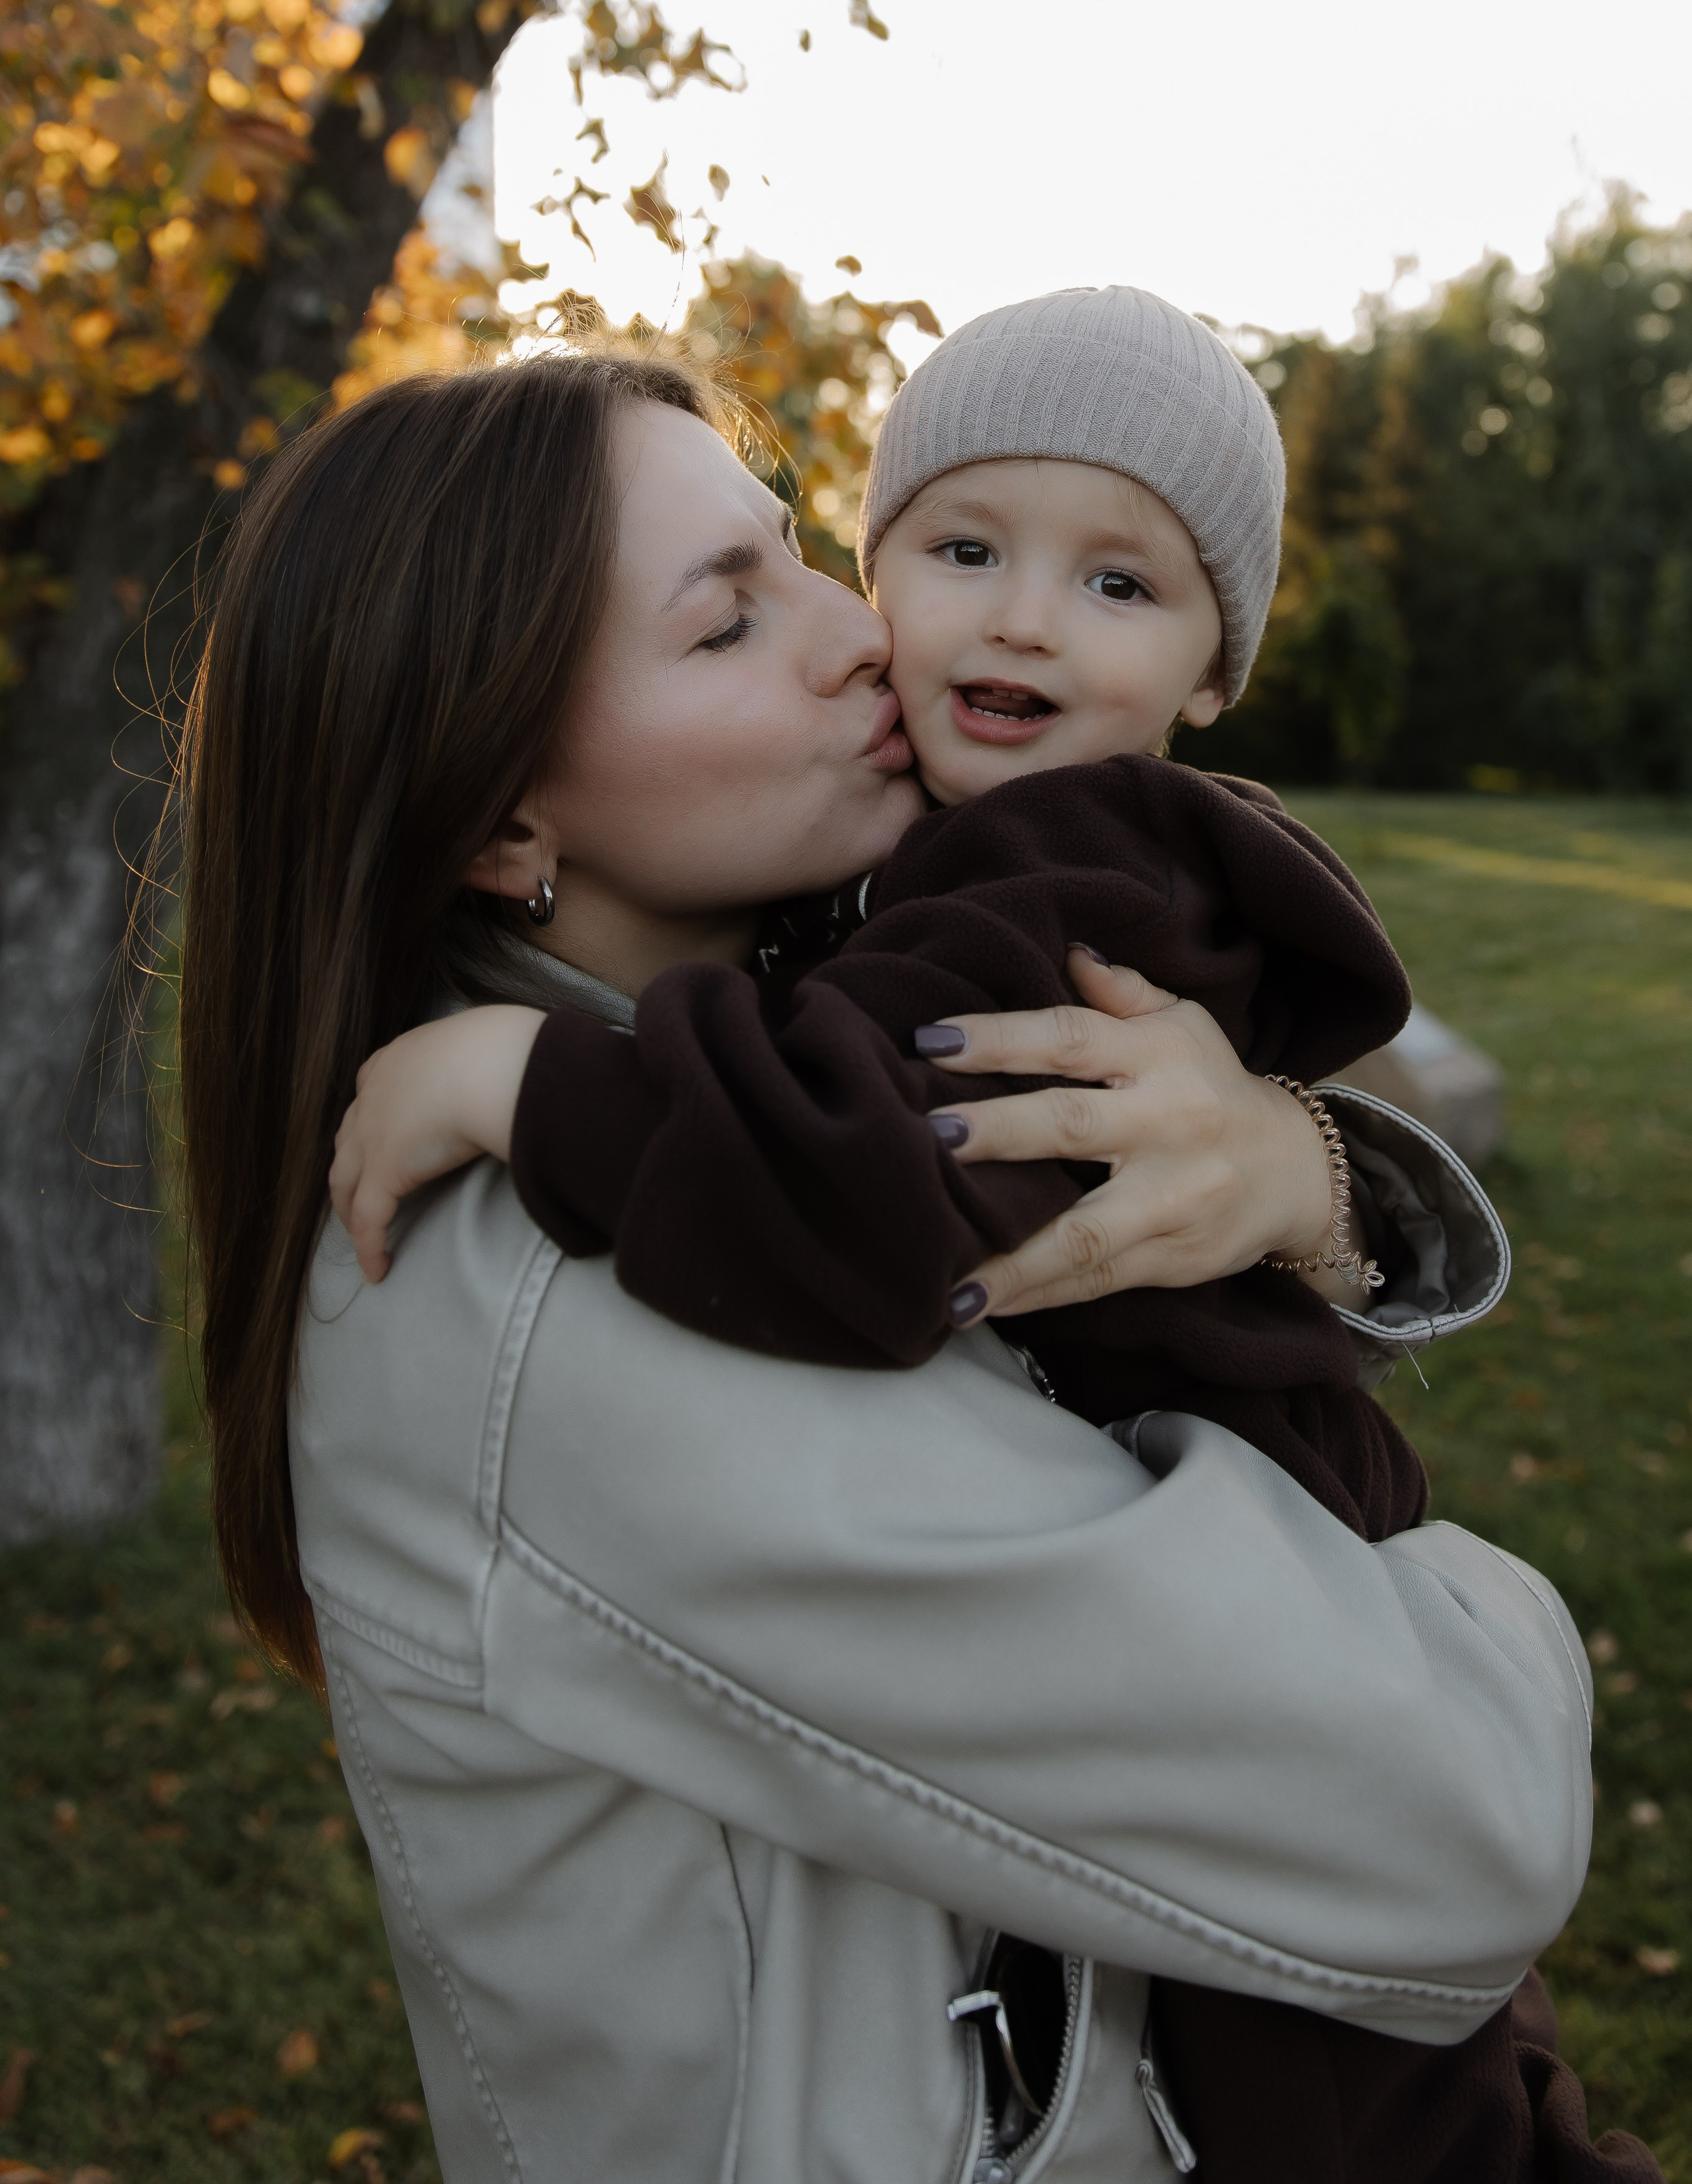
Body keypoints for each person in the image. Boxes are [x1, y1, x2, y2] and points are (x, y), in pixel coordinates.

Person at [178, 345, 1598, 2184]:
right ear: (506, 821)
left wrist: (1304, 1178)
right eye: (728, 619)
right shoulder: (565, 1291)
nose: (865, 634)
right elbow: (1462, 1823)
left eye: (801, 554)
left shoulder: (805, 1014)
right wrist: (1475, 1615)